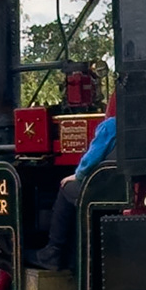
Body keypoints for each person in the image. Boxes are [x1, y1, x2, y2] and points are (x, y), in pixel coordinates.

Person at [29, 94, 116, 271]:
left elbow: (90, 160)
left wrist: (77, 175)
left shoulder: (112, 126)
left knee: (66, 187)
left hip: (107, 189)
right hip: (124, 188)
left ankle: (53, 251)